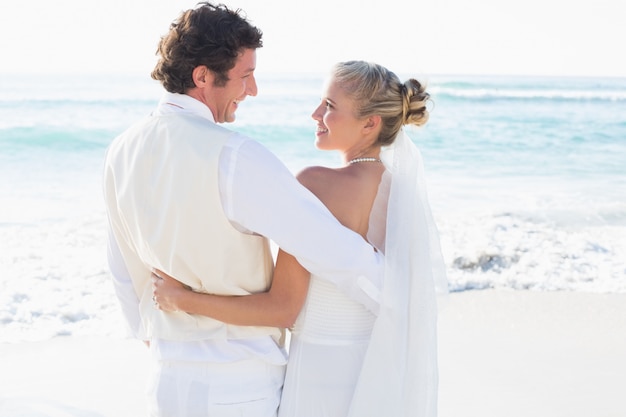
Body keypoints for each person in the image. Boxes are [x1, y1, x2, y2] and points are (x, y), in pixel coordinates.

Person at [102, 3, 384, 416]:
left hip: (165, 380)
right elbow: (330, 248)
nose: (252, 91)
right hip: (237, 385)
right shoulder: (235, 156)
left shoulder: (120, 151)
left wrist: (164, 346)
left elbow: (124, 275)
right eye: (246, 76)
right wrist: (399, 291)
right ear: (202, 76)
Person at [152, 61, 448, 417]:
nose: (315, 114)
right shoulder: (404, 196)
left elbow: (282, 308)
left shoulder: (315, 185)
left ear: (370, 123)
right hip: (377, 372)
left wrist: (182, 299)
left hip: (319, 375)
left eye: (330, 107)